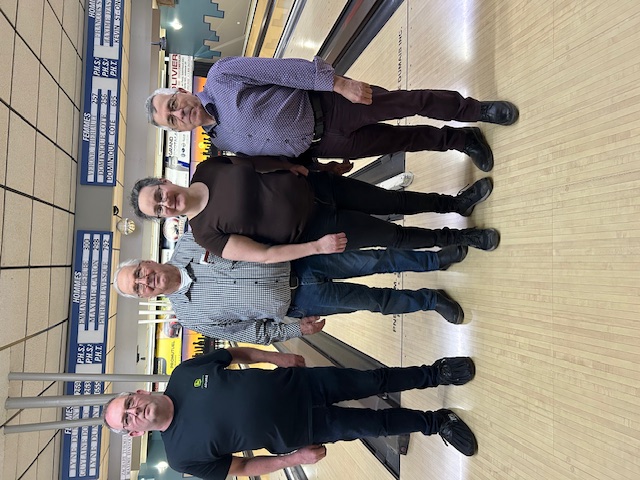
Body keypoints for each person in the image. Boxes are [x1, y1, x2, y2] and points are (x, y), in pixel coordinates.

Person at [103, 347, 479, 478]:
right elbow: (242, 467)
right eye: (127, 419)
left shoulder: (183, 374)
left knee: (374, 380)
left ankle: (435, 373)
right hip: (302, 430)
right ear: (134, 433)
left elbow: (234, 354)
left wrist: (276, 357)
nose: (134, 412)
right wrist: (294, 459)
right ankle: (437, 423)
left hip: (301, 384)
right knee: (376, 425)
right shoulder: (181, 458)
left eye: (129, 404)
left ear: (140, 392)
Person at [145, 56, 519, 172]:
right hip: (328, 144)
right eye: (171, 120)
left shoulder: (222, 76)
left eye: (173, 105)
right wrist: (321, 167)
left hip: (330, 104)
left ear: (181, 92)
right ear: (178, 131)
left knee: (409, 102)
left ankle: (475, 110)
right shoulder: (222, 141)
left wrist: (338, 83)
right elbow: (278, 157)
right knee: (402, 141)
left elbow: (282, 71)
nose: (179, 115)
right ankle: (461, 140)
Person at [113, 232, 471, 344]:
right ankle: (431, 300)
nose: (145, 280)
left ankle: (435, 260)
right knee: (374, 302)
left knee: (375, 260)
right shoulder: (192, 317)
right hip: (302, 302)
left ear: (146, 261)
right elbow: (251, 332)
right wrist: (295, 329)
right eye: (139, 288)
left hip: (303, 260)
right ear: (146, 297)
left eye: (139, 273)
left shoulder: (193, 239)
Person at [130, 156, 500, 264]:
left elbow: (258, 163)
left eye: (159, 194)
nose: (165, 202)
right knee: (393, 235)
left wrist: (309, 167)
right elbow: (264, 255)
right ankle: (460, 238)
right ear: (165, 217)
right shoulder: (205, 235)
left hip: (319, 187)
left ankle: (456, 203)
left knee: (395, 201)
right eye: (158, 209)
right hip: (318, 229)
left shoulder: (208, 168)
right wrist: (316, 247)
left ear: (164, 181)